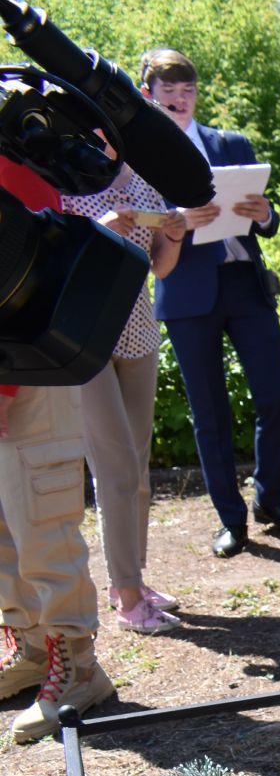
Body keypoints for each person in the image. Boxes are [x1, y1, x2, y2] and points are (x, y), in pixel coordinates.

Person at [142, 48, 280, 559]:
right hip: (189, 293)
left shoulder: (230, 143)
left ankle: (271, 501)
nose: (179, 99)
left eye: (187, 90)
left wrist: (264, 214)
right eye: (168, 91)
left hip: (244, 285)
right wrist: (176, 221)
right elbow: (140, 229)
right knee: (210, 413)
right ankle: (231, 521)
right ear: (148, 95)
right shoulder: (141, 156)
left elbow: (270, 219)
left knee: (275, 396)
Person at [0, 157, 114, 744]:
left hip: (24, 369)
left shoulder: (10, 154)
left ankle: (78, 670)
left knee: (41, 525)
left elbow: (22, 276)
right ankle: (34, 652)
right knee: (4, 528)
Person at [62, 148, 187, 635]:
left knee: (137, 467)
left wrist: (173, 238)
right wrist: (100, 231)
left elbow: (161, 267)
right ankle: (130, 600)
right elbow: (60, 264)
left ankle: (128, 578)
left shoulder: (143, 179)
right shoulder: (63, 176)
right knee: (114, 468)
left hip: (137, 335)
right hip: (85, 340)